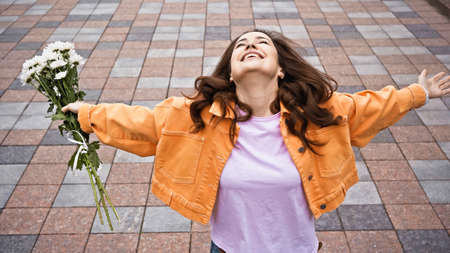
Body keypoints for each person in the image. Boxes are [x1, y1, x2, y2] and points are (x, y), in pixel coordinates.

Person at [62, 29, 450, 253]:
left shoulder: (320, 112)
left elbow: (372, 107)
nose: (250, 44)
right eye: (241, 44)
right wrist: (86, 114)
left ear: (281, 69)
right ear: (230, 72)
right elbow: (141, 121)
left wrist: (419, 93)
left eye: (262, 42)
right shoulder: (195, 116)